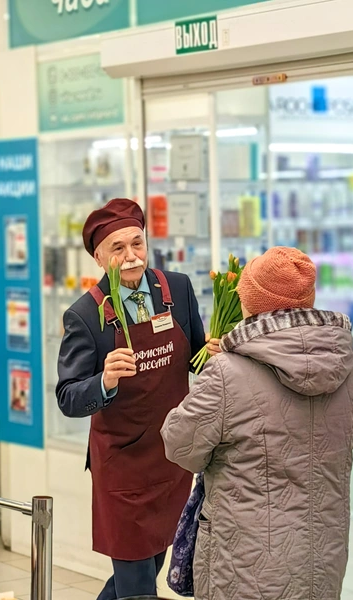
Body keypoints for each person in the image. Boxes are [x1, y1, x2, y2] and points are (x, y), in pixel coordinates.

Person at [161, 246, 353, 600]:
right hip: (322, 555)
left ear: (253, 303)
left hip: (243, 564)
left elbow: (179, 444)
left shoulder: (228, 372)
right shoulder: (349, 366)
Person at [56, 198, 220, 600]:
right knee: (136, 582)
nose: (132, 257)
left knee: (148, 569)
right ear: (98, 257)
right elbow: (67, 396)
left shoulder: (176, 289)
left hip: (171, 458)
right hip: (123, 467)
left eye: (138, 244)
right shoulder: (85, 314)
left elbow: (196, 354)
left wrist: (213, 353)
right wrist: (104, 380)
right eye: (118, 248)